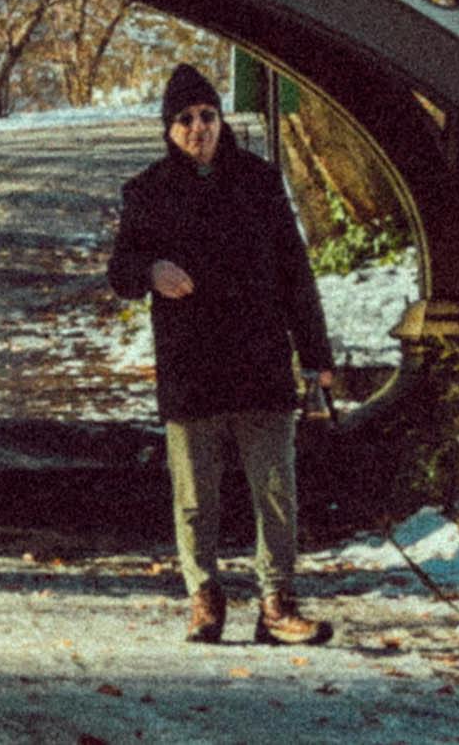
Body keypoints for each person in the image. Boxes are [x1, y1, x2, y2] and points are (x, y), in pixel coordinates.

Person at [107, 61, 341, 646]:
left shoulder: (260, 183)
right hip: (191, 364)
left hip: (260, 356)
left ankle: (277, 601)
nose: (198, 128)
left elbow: (295, 273)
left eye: (207, 115)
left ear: (221, 120)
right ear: (168, 129)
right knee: (194, 493)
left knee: (276, 487)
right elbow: (119, 271)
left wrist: (316, 354)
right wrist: (150, 270)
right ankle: (205, 598)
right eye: (185, 119)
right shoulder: (147, 193)